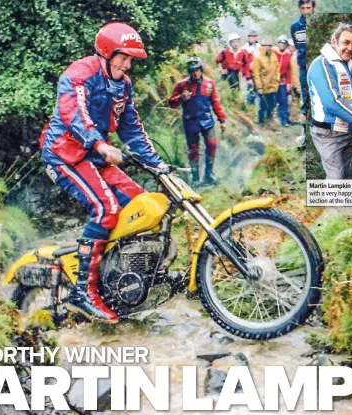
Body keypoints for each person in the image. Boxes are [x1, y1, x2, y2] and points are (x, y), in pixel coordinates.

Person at [41, 23, 168, 321]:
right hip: (64, 154)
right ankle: (83, 291)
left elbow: (132, 128)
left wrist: (158, 165)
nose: (129, 64)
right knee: (105, 207)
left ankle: (119, 279)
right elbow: (75, 115)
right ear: (108, 52)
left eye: (132, 59)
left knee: (138, 202)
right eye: (125, 57)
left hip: (96, 154)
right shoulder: (79, 75)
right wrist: (98, 144)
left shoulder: (123, 85)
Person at [308, 24, 352, 180]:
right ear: (334, 41)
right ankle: (334, 205)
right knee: (336, 178)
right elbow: (332, 102)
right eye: (346, 42)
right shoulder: (322, 64)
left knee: (344, 175)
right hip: (328, 133)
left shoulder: (348, 65)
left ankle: (341, 204)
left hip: (347, 131)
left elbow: (351, 99)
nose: (350, 48)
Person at [169, 57, 226, 186]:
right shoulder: (182, 85)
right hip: (190, 121)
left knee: (212, 144)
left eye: (197, 70)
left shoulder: (209, 84)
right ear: (189, 71)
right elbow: (171, 103)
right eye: (192, 71)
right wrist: (181, 98)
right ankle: (195, 178)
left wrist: (222, 119)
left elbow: (215, 102)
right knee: (193, 149)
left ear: (201, 70)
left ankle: (209, 174)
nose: (195, 73)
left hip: (207, 120)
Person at [290, 0, 315, 122]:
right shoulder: (295, 26)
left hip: (317, 65)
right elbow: (297, 45)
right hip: (303, 65)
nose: (306, 11)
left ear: (314, 8)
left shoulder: (320, 23)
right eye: (303, 8)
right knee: (305, 92)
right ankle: (305, 116)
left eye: (308, 8)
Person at [251, 39, 280, 125]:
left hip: (273, 86)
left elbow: (277, 69)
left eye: (269, 45)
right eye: (265, 45)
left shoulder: (274, 56)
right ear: (262, 46)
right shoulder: (258, 58)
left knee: (272, 105)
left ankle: (269, 120)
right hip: (263, 86)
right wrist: (259, 87)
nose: (267, 47)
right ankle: (261, 122)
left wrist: (277, 81)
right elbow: (256, 74)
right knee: (263, 105)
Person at [274, 35, 295, 127]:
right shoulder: (273, 53)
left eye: (284, 44)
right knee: (273, 101)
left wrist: (288, 83)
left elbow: (289, 70)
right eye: (280, 43)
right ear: (278, 44)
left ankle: (284, 120)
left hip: (283, 81)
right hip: (273, 81)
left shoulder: (288, 56)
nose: (282, 45)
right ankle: (273, 120)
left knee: (283, 101)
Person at [242, 30, 260, 105]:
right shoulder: (245, 48)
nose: (253, 38)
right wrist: (248, 77)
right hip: (250, 73)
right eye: (252, 37)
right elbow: (244, 65)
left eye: (255, 37)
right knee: (251, 93)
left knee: (259, 92)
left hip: (259, 73)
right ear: (249, 37)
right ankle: (250, 109)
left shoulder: (259, 46)